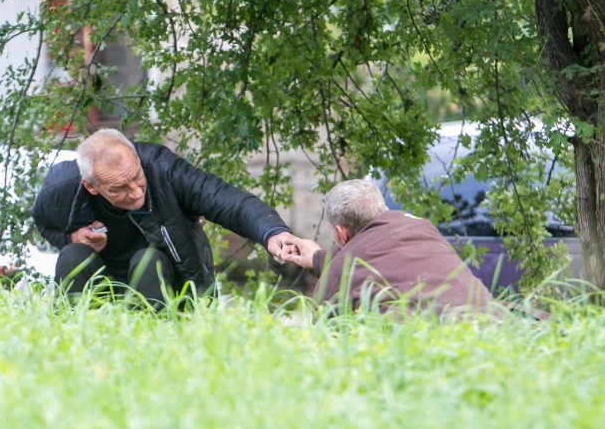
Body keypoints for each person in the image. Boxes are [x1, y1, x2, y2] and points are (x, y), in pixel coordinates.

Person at [32, 128, 301, 305]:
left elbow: (229, 201)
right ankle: (76, 343)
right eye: (119, 187)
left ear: (137, 158)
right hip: (103, 280)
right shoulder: (61, 190)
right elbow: (43, 223)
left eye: (137, 176)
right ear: (91, 185)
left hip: (164, 279)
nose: (136, 191)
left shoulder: (163, 169)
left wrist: (273, 232)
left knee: (147, 260)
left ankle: (154, 348)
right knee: (72, 255)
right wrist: (71, 236)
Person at [281, 179, 495, 314]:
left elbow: (325, 341)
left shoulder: (336, 277)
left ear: (340, 232)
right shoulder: (422, 227)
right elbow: (380, 254)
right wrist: (318, 258)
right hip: (492, 326)